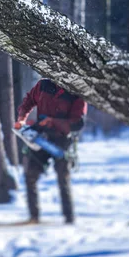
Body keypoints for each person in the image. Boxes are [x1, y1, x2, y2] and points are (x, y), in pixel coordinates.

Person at [14, 78, 87, 224]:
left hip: (62, 140)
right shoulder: (43, 85)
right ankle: (34, 216)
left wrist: (53, 121)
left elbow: (77, 123)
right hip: (41, 136)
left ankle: (69, 218)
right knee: (30, 175)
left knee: (63, 177)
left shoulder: (76, 91)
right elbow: (29, 100)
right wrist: (22, 118)